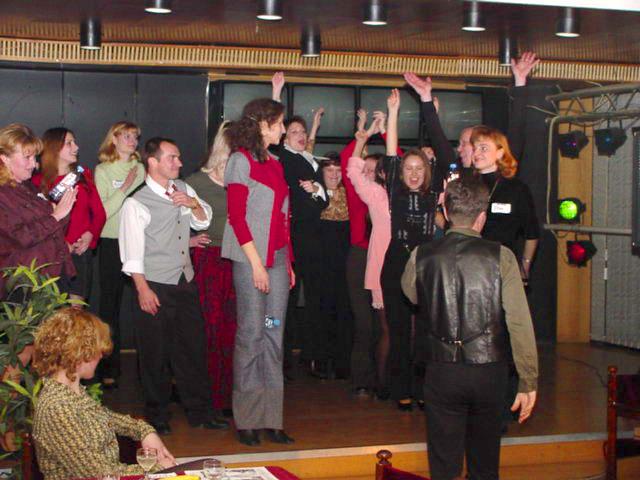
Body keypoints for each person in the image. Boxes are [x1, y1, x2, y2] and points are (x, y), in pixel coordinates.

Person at [401, 176, 538, 480]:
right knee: (485, 466)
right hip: (489, 371)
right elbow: (519, 322)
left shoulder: (421, 254)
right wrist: (528, 379)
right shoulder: (502, 256)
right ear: (482, 217)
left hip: (441, 369)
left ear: (446, 213)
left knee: (444, 466)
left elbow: (412, 295)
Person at [119, 137, 226, 435]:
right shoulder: (136, 202)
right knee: (155, 353)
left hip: (184, 280)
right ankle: (157, 415)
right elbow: (131, 253)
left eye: (178, 157)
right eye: (172, 158)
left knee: (192, 348)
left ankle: (200, 412)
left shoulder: (183, 189)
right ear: (152, 162)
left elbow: (203, 220)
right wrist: (142, 289)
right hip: (154, 284)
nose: (179, 162)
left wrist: (193, 203)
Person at [222, 98, 295, 446]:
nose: (283, 129)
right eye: (279, 123)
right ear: (263, 125)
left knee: (273, 332)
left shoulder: (276, 164)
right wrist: (256, 265)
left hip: (277, 260)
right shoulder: (240, 161)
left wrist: (288, 263)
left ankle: (272, 419)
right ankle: (247, 420)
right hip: (250, 258)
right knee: (251, 335)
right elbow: (237, 218)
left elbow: (283, 219)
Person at [32, 307, 176, 480]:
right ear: (80, 353)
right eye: (98, 349)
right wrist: (159, 469)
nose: (101, 355)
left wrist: (145, 431)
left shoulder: (72, 393)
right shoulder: (57, 407)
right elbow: (99, 473)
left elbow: (109, 419)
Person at [382, 89, 446, 409]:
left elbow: (441, 151)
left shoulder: (433, 191)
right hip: (396, 260)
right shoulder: (394, 188)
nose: (414, 173)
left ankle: (423, 390)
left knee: (424, 331)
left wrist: (433, 114)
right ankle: (400, 390)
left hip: (425, 263)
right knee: (398, 331)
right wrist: (393, 112)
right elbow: (391, 152)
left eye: (419, 167)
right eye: (409, 168)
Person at [272, 73, 330, 377]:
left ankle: (313, 356)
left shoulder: (311, 160)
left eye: (303, 131)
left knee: (315, 298)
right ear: (284, 135)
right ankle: (281, 359)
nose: (300, 135)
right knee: (285, 300)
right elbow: (270, 128)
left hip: (313, 240)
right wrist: (276, 92)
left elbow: (324, 201)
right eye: (293, 131)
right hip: (290, 238)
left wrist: (317, 189)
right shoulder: (282, 157)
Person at [186, 120, 237, 415]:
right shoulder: (197, 182)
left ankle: (230, 395)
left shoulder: (243, 180)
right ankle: (209, 395)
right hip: (209, 260)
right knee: (211, 327)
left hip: (239, 259)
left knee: (235, 328)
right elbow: (174, 220)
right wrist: (189, 241)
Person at [94, 121, 145, 388]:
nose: (132, 141)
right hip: (111, 241)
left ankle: (148, 368)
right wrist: (124, 187)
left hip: (139, 242)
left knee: (145, 302)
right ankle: (108, 368)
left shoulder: (142, 168)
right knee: (109, 305)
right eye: (126, 136)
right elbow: (103, 212)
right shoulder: (103, 170)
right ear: (113, 139)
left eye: (135, 136)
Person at [0, 123, 76, 297]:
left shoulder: (28, 187)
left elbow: (53, 228)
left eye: (34, 157)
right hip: (25, 283)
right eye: (27, 157)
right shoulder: (3, 194)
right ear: (5, 158)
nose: (33, 164)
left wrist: (62, 211)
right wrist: (56, 216)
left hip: (51, 275)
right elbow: (20, 237)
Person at [33, 127, 106, 304]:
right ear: (54, 147)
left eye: (74, 142)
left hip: (79, 253)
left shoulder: (83, 175)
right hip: (51, 256)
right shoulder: (36, 182)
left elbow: (99, 213)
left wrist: (90, 235)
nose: (76, 147)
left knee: (75, 311)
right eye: (69, 143)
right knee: (52, 310)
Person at [346, 117, 392, 396]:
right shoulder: (361, 193)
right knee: (364, 324)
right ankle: (362, 380)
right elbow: (351, 168)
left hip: (385, 259)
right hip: (361, 257)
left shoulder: (388, 194)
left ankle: (383, 379)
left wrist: (386, 131)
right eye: (367, 170)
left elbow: (404, 163)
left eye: (375, 170)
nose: (370, 174)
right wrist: (362, 138)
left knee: (385, 326)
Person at [318, 152, 352, 379]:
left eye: (338, 170)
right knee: (322, 311)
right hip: (320, 262)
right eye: (329, 170)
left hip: (345, 262)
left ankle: (342, 362)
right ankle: (320, 361)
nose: (334, 174)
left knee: (344, 311)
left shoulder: (349, 195)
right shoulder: (314, 193)